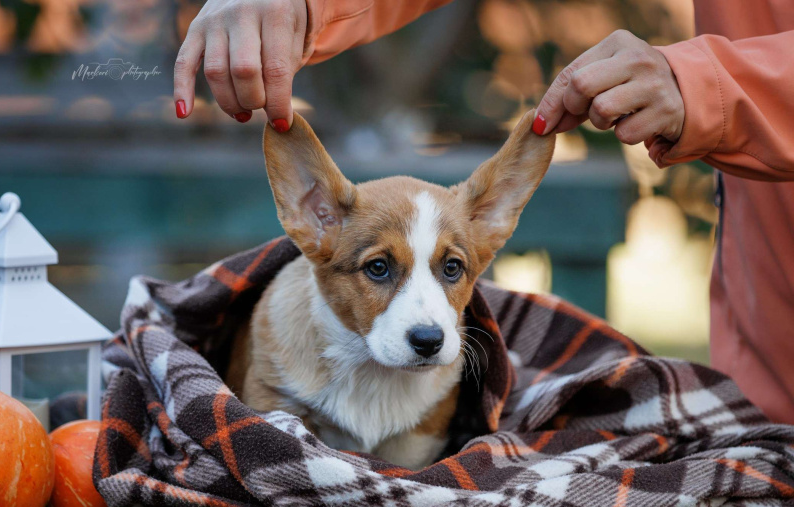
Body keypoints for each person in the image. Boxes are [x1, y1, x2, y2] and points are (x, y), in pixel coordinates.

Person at [173, 0, 794, 424]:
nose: (427, 320)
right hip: (768, 362)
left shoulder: (452, 377)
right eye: (381, 269)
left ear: (493, 224)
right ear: (312, 218)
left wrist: (715, 84)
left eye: (450, 270)